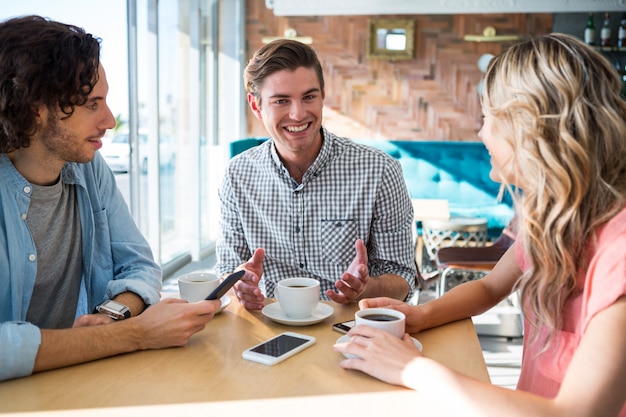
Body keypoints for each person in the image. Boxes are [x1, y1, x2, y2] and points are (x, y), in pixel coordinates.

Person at [334, 33, 626, 416]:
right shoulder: (551, 216)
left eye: (487, 118)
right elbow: (490, 287)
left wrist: (410, 367)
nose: (481, 133)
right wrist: (422, 314)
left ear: (530, 128)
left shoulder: (617, 247)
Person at [0, 15, 220, 382]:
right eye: (92, 104)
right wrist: (132, 334)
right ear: (36, 108)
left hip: (72, 380)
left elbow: (139, 265)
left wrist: (112, 315)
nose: (109, 120)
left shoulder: (88, 166)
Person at [216, 39, 416, 310]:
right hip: (266, 328)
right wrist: (238, 285)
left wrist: (366, 288)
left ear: (323, 95)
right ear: (256, 106)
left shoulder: (379, 171)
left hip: (348, 326)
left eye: (309, 97)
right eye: (281, 101)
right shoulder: (237, 176)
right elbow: (228, 271)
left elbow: (402, 276)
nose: (298, 114)